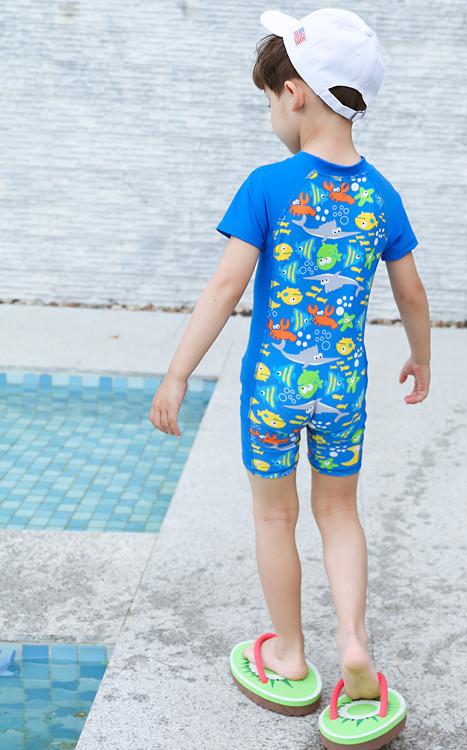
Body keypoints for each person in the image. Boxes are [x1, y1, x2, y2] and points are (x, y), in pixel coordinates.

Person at [150, 7, 430, 748]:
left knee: (275, 518)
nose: (272, 113)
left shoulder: (267, 186)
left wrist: (178, 373)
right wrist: (421, 357)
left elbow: (224, 289)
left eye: (270, 99)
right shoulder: (382, 194)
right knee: (339, 513)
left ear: (295, 93)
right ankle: (354, 644)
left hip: (273, 391)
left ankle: (289, 653)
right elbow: (410, 293)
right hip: (342, 389)